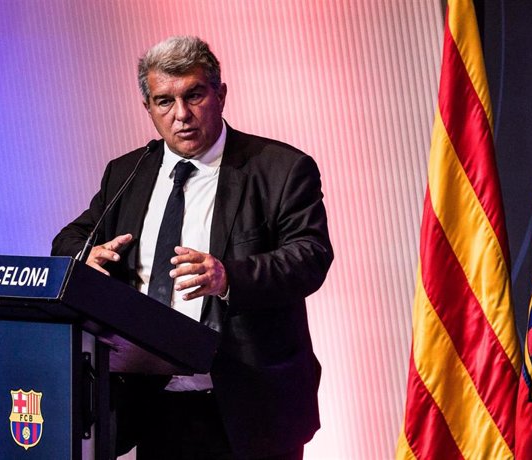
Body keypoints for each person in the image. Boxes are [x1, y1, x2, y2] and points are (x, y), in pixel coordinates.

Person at [52, 36, 333, 460]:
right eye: (164, 101)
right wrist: (83, 257)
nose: (181, 115)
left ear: (220, 94)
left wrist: (228, 277)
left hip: (249, 406)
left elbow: (310, 256)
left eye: (194, 95)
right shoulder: (128, 172)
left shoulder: (280, 169)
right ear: (148, 108)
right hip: (152, 403)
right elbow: (69, 240)